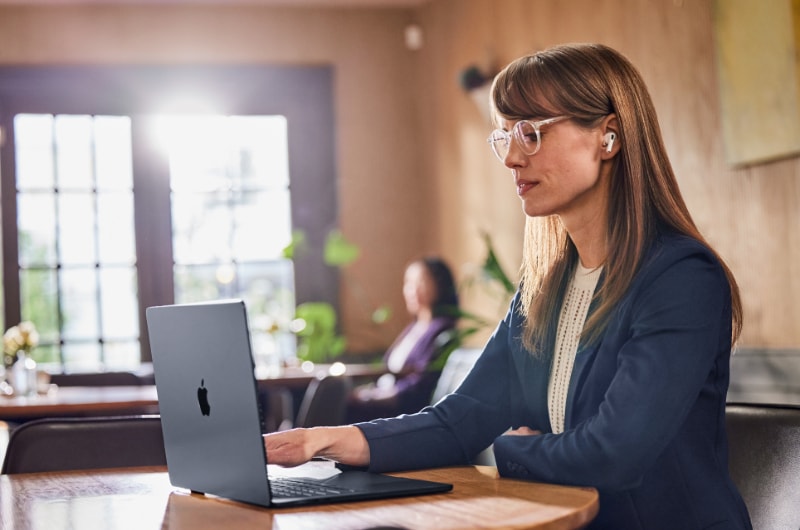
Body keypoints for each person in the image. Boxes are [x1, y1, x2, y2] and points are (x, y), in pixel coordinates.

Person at [264, 43, 752, 529]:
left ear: (608, 137)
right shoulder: (545, 288)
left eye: (531, 133)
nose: (512, 158)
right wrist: (324, 440)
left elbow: (613, 454)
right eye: (504, 136)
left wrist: (513, 448)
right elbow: (460, 420)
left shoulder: (680, 278)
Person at [345, 256, 459, 423]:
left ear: (440, 285)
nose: (413, 290)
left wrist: (373, 397)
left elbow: (421, 386)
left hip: (403, 413)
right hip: (385, 401)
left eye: (421, 282)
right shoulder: (413, 328)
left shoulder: (443, 331)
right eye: (409, 283)